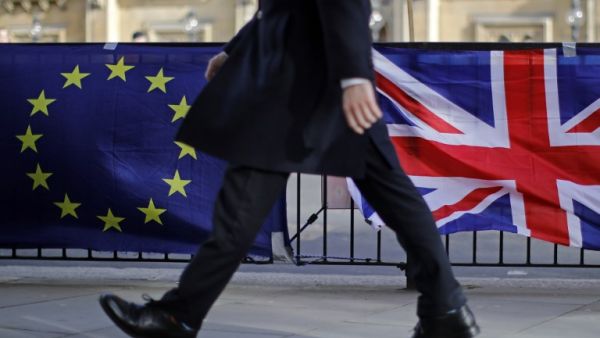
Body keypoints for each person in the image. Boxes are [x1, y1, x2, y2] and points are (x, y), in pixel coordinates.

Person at [99, 1, 480, 337]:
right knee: (395, 198)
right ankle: (445, 310)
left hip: (300, 87)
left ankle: (178, 317)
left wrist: (354, 76)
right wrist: (237, 50)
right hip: (311, 83)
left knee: (242, 212)